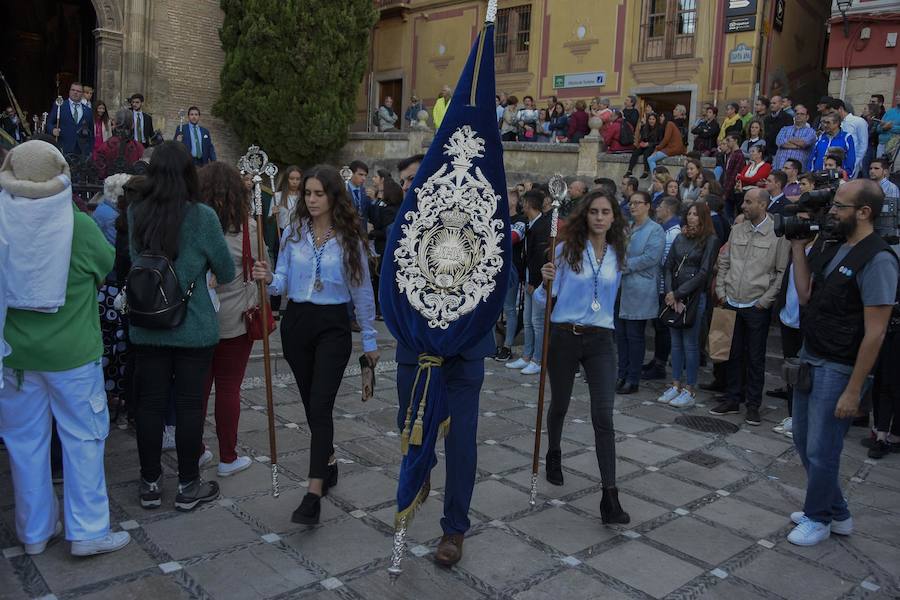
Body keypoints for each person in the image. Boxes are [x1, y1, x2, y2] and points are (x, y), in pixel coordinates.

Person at [0, 140, 131, 556]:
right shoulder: (78, 225)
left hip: (15, 356)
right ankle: (89, 531)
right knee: (83, 440)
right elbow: (106, 265)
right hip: (73, 354)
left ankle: (35, 532)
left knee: (25, 444)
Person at [252, 165, 378, 524]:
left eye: (319, 193)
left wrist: (369, 337)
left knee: (321, 405)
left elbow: (362, 291)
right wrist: (267, 277)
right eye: (307, 193)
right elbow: (281, 283)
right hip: (297, 325)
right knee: (311, 404)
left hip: (333, 327)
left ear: (333, 195)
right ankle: (330, 458)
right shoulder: (294, 232)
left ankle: (312, 493)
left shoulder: (350, 237)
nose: (311, 199)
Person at [786, 179, 898, 546]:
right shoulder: (833, 245)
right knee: (804, 442)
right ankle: (837, 510)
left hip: (840, 368)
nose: (832, 211)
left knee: (823, 448)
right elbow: (804, 296)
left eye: (840, 206)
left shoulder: (879, 258)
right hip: (811, 355)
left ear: (864, 212)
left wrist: (853, 390)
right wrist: (799, 249)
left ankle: (819, 517)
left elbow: (876, 333)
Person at [127, 141, 235, 511]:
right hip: (193, 325)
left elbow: (135, 261)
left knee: (149, 405)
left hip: (147, 323)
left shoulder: (136, 211)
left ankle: (150, 482)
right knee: (190, 406)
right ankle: (189, 485)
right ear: (190, 174)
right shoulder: (203, 216)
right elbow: (227, 270)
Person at [536, 190, 630, 524]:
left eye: (606, 212)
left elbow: (606, 300)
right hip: (564, 335)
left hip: (602, 339)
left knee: (603, 416)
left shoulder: (618, 255)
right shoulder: (565, 250)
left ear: (614, 217)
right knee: (559, 404)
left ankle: (610, 497)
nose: (600, 217)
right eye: (594, 212)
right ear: (585, 216)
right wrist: (544, 282)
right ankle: (554, 453)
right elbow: (544, 298)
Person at [196, 162, 260, 478]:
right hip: (235, 319)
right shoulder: (248, 228)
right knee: (228, 388)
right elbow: (264, 271)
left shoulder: (192, 223)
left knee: (197, 388)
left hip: (197, 320)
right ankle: (227, 456)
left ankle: (194, 450)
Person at [710, 187, 789, 424]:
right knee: (731, 354)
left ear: (763, 205)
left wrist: (764, 301)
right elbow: (724, 262)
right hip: (732, 300)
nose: (743, 205)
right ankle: (733, 398)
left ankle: (753, 404)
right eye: (744, 201)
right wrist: (721, 291)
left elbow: (781, 272)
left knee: (755, 358)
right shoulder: (737, 229)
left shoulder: (778, 235)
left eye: (749, 202)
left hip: (756, 305)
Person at [657, 202, 720, 407]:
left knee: (690, 345)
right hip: (673, 297)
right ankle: (675, 384)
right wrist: (669, 292)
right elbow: (668, 266)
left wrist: (679, 293)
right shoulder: (680, 237)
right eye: (689, 214)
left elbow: (704, 272)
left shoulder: (710, 240)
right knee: (675, 343)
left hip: (693, 298)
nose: (692, 217)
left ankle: (690, 389)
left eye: (696, 214)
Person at [616, 191, 665, 394]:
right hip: (621, 288)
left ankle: (633, 378)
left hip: (640, 289)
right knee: (621, 335)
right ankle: (622, 374)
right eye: (631, 203)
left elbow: (651, 257)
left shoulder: (655, 230)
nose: (633, 206)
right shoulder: (627, 227)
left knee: (635, 335)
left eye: (637, 203)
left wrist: (624, 265)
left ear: (647, 206)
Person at [506, 190, 549, 375]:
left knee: (537, 322)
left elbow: (540, 257)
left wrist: (535, 280)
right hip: (528, 278)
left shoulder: (542, 226)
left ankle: (537, 359)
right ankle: (526, 356)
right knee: (528, 321)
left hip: (537, 281)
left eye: (524, 203)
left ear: (529, 204)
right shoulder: (532, 224)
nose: (521, 205)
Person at [644, 195, 681, 381]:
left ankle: (660, 364)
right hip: (658, 285)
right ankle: (657, 360)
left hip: (664, 287)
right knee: (659, 326)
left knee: (663, 328)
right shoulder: (664, 229)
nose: (657, 209)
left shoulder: (673, 232)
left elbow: (666, 262)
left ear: (668, 210)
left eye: (660, 206)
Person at [494, 189, 527, 361]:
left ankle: (507, 346)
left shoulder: (521, 220)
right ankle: (493, 344)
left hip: (511, 269)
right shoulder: (497, 218)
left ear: (514, 201)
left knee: (509, 308)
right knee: (491, 307)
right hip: (494, 267)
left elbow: (512, 238)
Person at [93, 109, 144, 179]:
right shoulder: (138, 148)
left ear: (115, 123)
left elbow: (99, 170)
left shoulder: (105, 146)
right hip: (131, 186)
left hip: (110, 186)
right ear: (132, 125)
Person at [46, 81, 93, 156]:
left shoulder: (88, 111)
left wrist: (90, 150)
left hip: (82, 151)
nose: (75, 93)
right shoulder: (60, 106)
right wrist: (53, 130)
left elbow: (91, 132)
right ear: (69, 91)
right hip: (64, 148)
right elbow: (49, 123)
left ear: (82, 93)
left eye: (78, 91)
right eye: (73, 90)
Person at [774, 104, 817, 170]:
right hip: (780, 166)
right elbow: (780, 142)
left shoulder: (811, 132)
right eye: (797, 114)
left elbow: (804, 143)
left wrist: (789, 139)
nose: (799, 116)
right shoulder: (784, 129)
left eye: (802, 114)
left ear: (807, 117)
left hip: (797, 169)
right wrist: (798, 146)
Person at [833, 99, 868, 178]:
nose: (832, 115)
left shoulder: (858, 121)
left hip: (853, 162)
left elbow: (863, 144)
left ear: (840, 109)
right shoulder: (837, 124)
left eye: (832, 112)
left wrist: (856, 162)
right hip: (837, 163)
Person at [626, 112, 661, 178]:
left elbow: (660, 141)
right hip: (645, 145)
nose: (651, 121)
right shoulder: (645, 127)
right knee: (635, 152)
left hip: (653, 146)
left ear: (656, 120)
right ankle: (629, 170)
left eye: (653, 119)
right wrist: (642, 142)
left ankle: (646, 171)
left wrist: (648, 144)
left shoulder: (659, 129)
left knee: (646, 153)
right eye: (650, 119)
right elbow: (643, 138)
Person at [875, 90, 900, 159]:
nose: (897, 97)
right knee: (880, 167)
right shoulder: (890, 112)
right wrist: (883, 128)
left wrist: (891, 127)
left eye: (899, 95)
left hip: (895, 147)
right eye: (897, 95)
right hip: (882, 145)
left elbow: (892, 127)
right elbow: (878, 128)